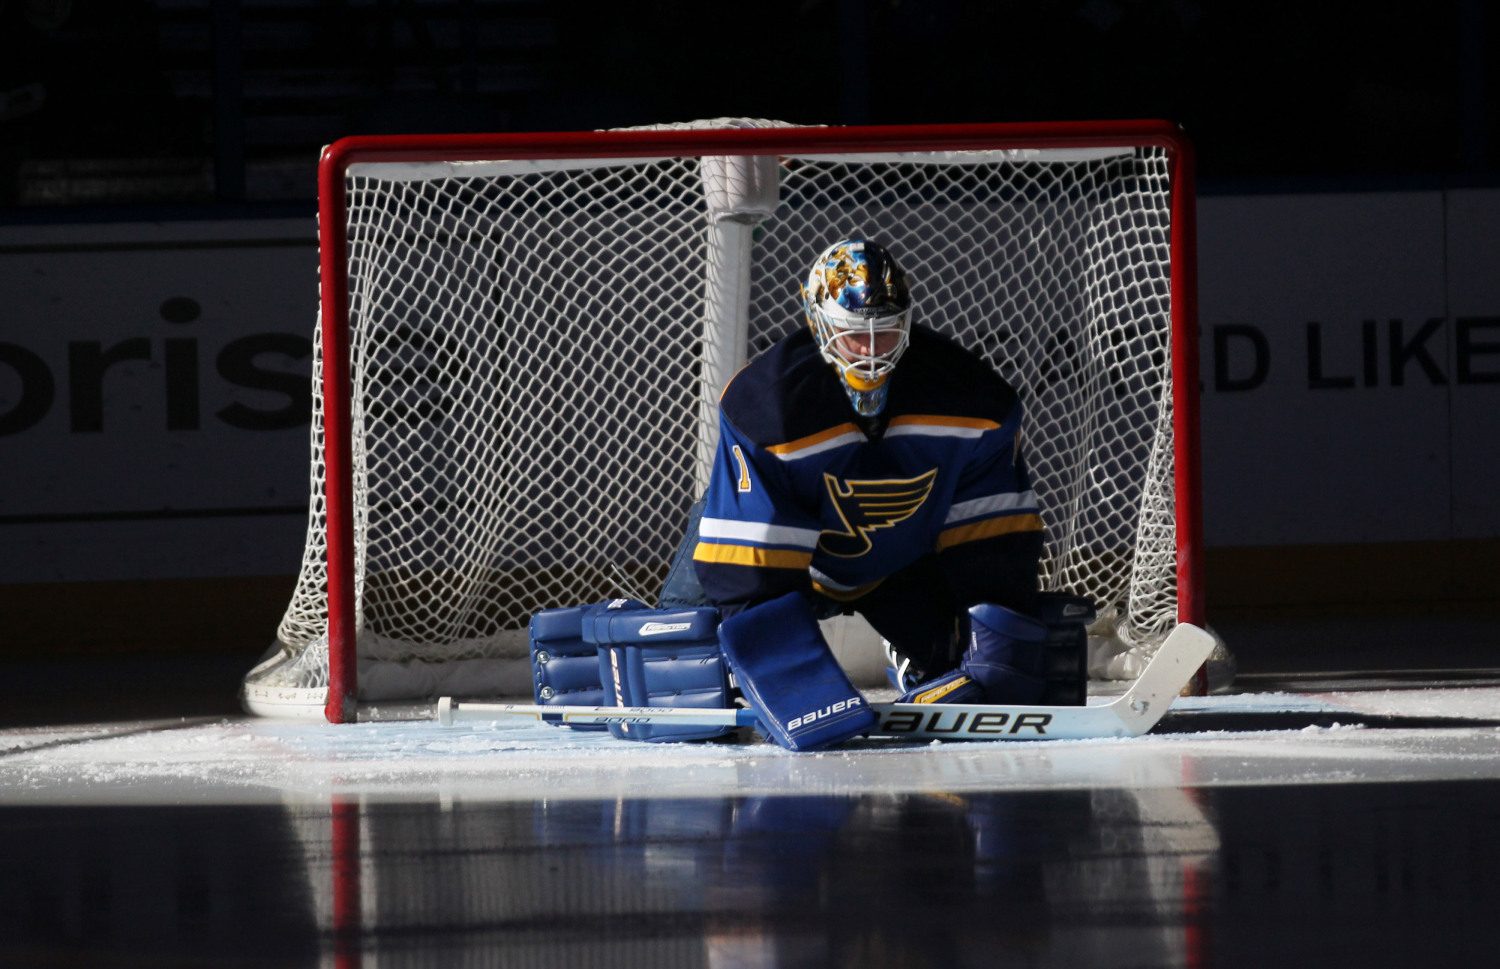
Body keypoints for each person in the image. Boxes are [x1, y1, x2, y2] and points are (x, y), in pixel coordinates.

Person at [657, 239, 1052, 749]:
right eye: (853, 335)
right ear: (820, 325)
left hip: (899, 562)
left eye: (885, 333)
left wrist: (995, 630)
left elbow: (993, 539)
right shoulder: (767, 405)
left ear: (907, 324)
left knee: (975, 673)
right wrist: (777, 670)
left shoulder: (974, 398)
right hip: (786, 560)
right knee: (682, 662)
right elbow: (747, 567)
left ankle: (921, 658)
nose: (870, 351)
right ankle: (676, 647)